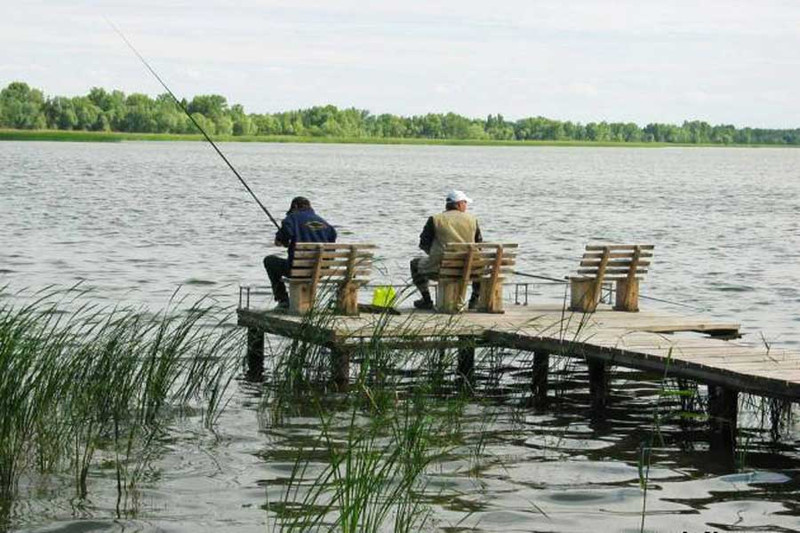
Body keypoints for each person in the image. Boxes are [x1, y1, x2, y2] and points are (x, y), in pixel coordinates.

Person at [410, 189, 483, 310]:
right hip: (469, 269)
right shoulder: (472, 220)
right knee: (481, 264)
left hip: (440, 268)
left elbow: (423, 243)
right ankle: (474, 300)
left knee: (414, 264)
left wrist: (433, 254)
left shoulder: (435, 219)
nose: (466, 206)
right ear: (459, 204)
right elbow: (478, 245)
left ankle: (426, 300)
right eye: (465, 203)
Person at [263, 196, 337, 309]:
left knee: (269, 261)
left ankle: (283, 300)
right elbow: (331, 243)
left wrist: (281, 240)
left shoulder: (291, 219)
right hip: (321, 271)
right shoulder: (326, 225)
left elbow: (281, 240)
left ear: (295, 207)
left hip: (297, 270)